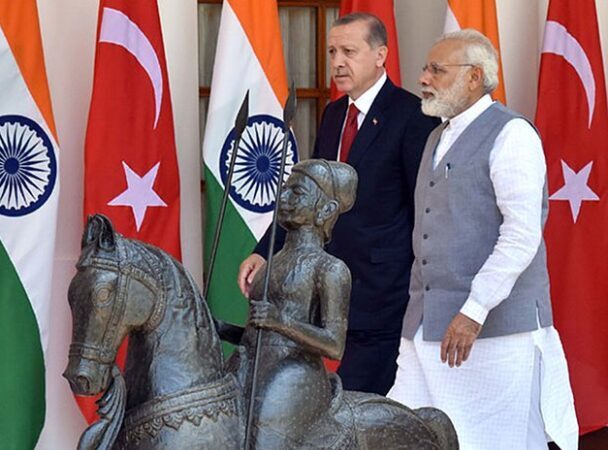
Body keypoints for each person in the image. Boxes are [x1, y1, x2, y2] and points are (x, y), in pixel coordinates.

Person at [388, 29, 578, 450]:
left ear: (475, 77)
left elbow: (521, 233)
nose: (424, 78)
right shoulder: (436, 136)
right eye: (426, 68)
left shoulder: (512, 135)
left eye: (437, 69)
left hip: (493, 334)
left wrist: (474, 310)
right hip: (424, 328)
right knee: (411, 433)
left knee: (495, 440)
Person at [237, 12, 439, 395]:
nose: (337, 62)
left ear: (380, 55)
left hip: (383, 299)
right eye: (332, 52)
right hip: (325, 297)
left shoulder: (412, 117)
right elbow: (310, 198)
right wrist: (265, 251)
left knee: (355, 408)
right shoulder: (333, 114)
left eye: (349, 51)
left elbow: (425, 215)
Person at [229, 160, 356, 449]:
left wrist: (280, 321)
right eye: (284, 190)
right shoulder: (269, 264)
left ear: (326, 210)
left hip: (293, 377)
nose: (282, 198)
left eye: (296, 193)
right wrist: (218, 328)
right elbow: (260, 336)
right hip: (252, 367)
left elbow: (334, 344)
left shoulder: (330, 269)